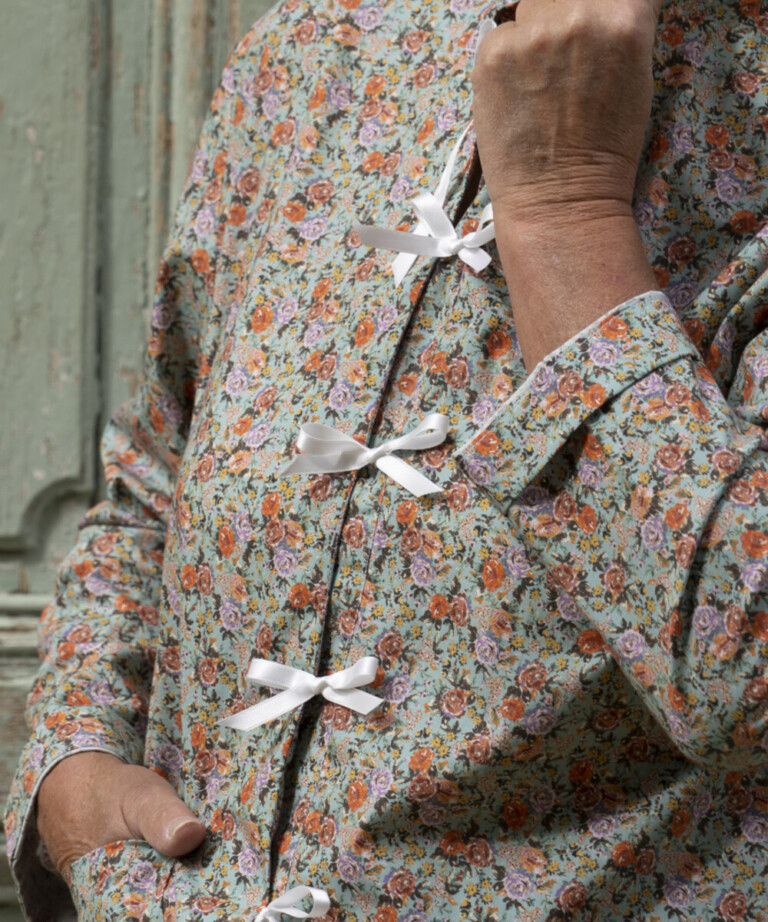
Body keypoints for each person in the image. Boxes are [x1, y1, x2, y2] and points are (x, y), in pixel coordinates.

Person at [5, 0, 768, 917]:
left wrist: (564, 209)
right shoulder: (316, 41)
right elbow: (153, 474)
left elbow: (747, 677)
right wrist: (72, 755)